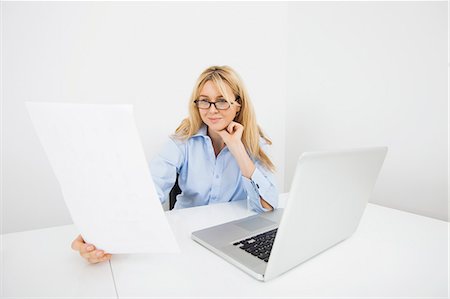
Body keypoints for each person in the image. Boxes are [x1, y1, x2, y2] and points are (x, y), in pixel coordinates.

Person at [71, 65, 279, 264]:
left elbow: (268, 206)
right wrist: (103, 232)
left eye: (222, 101)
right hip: (186, 239)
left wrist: (238, 149)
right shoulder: (183, 139)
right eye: (204, 101)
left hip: (233, 237)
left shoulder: (255, 142)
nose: (212, 110)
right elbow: (149, 189)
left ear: (238, 104)